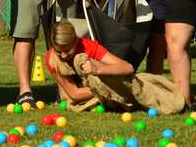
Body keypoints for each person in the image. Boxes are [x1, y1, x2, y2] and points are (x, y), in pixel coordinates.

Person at [46, 21, 185, 114]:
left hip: (100, 84)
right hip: (87, 93)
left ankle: (173, 99)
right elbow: (74, 94)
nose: (63, 56)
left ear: (76, 41)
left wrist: (98, 70)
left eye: (67, 50)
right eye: (59, 52)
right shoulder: (52, 58)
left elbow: (127, 67)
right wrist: (108, 89)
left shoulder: (88, 46)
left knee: (139, 84)